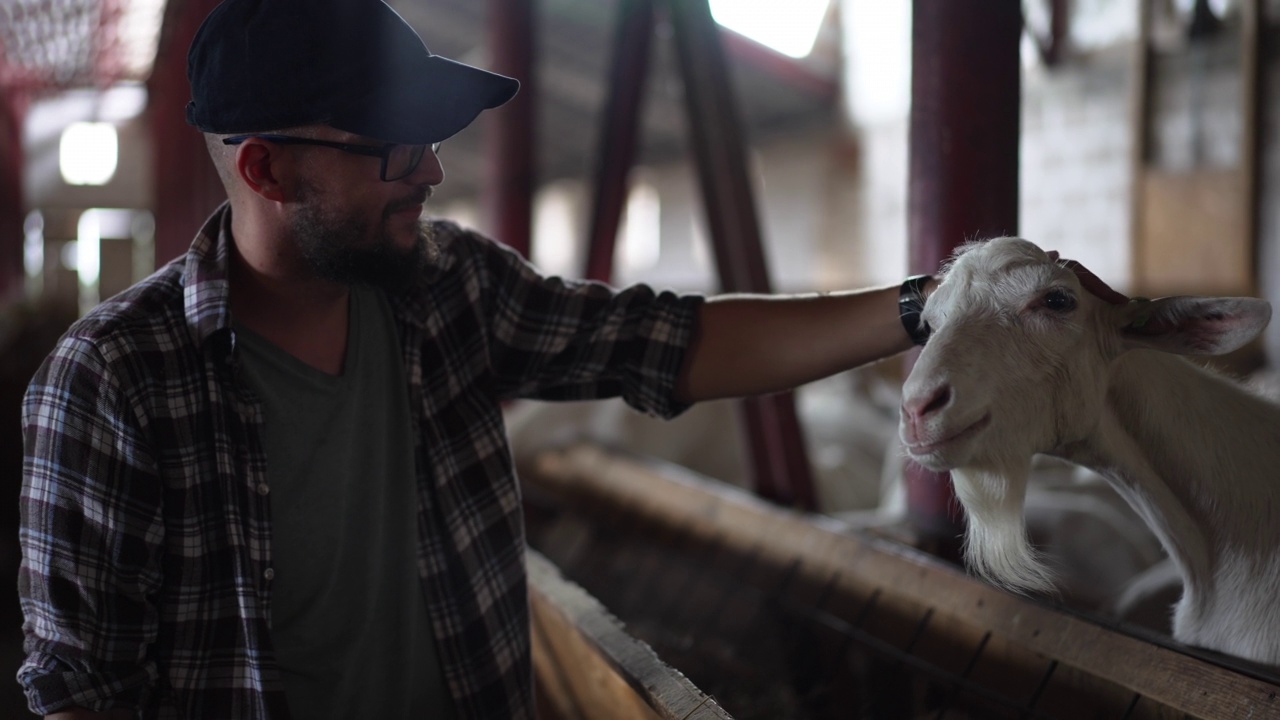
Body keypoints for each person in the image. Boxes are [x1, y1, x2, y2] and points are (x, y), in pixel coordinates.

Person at [15, 1, 1121, 718]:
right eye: (393, 148)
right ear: (264, 170)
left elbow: (667, 342)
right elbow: (80, 690)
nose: (431, 173)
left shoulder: (447, 294)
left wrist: (928, 305)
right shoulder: (113, 382)